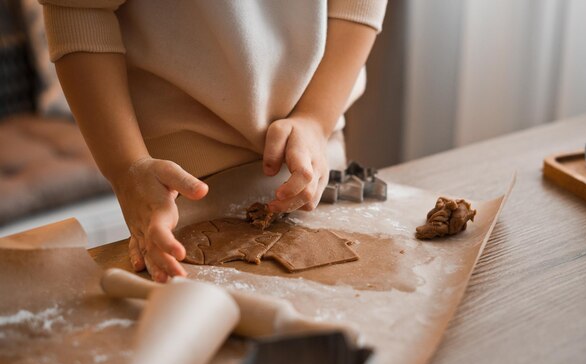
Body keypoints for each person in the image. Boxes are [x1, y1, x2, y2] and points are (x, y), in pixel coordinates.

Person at [40, 1, 387, 282]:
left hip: (313, 157)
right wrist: (126, 169)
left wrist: (316, 118)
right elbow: (77, 9)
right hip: (180, 185)